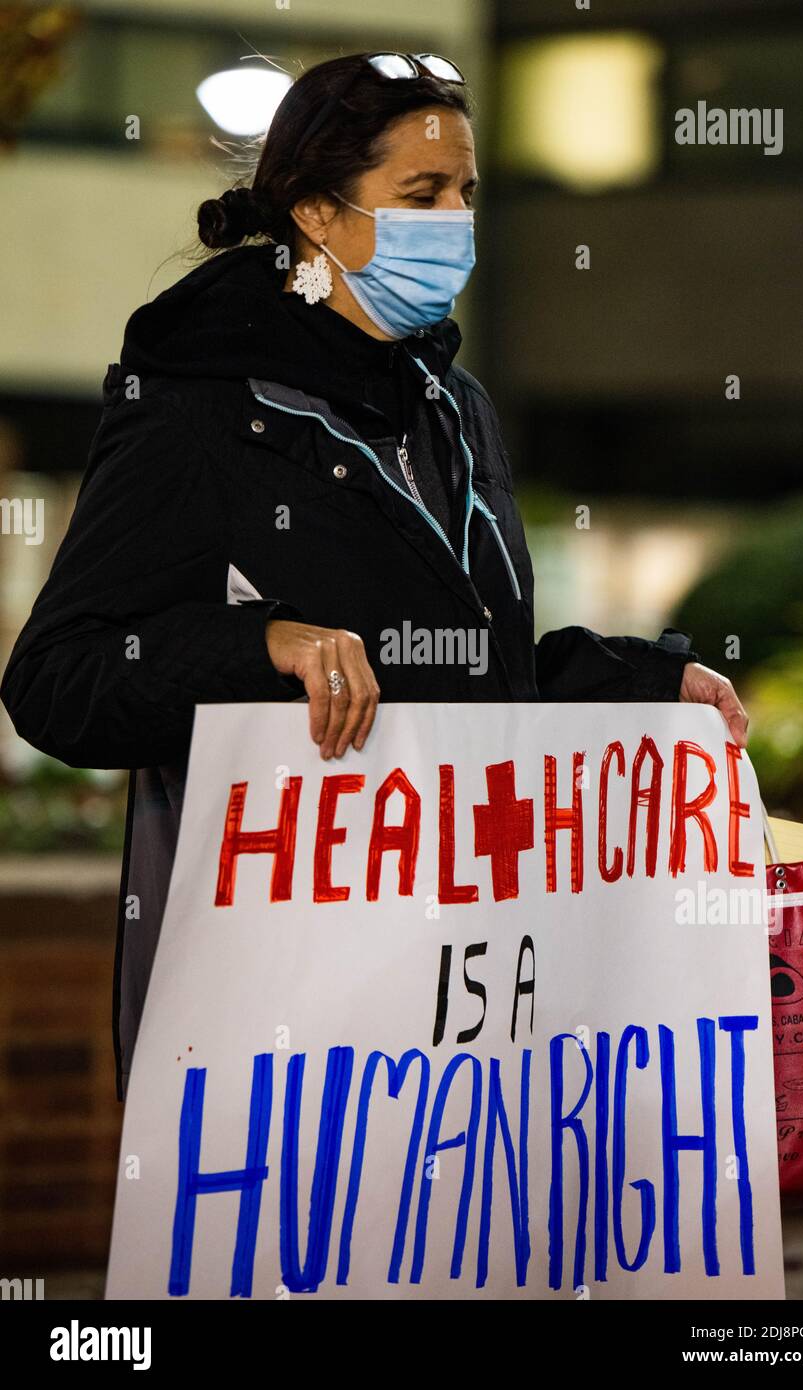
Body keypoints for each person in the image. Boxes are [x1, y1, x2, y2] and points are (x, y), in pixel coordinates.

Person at [0, 53, 748, 1100]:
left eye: (468, 194)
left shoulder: (457, 408)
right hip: (284, 1029)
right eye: (423, 195)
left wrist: (639, 682)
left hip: (459, 1010)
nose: (457, 224)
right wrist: (265, 647)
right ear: (318, 212)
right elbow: (57, 681)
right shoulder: (196, 406)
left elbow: (474, 678)